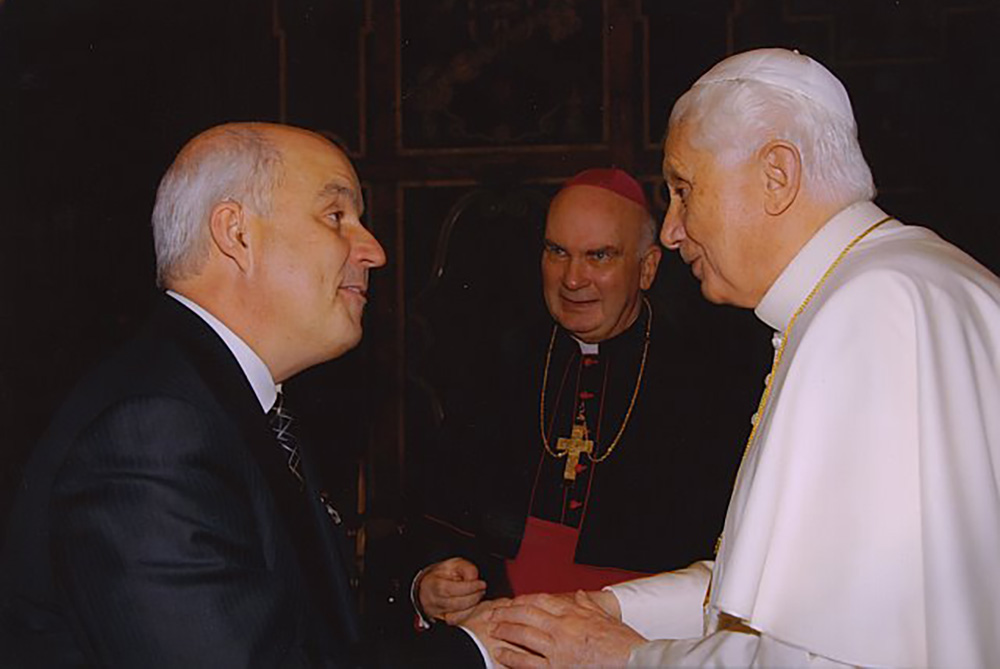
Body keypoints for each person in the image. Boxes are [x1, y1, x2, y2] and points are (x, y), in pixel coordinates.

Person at [490, 48, 1000, 668]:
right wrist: (614, 610)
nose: (672, 231)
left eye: (683, 189)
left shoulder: (869, 311)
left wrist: (620, 658)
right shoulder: (912, 279)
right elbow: (789, 593)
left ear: (776, 174)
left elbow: (819, 659)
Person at [0, 122, 494, 667]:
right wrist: (478, 655)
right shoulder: (153, 429)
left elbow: (310, 633)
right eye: (336, 217)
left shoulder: (232, 401)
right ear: (236, 233)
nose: (373, 250)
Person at [413, 169, 755, 626]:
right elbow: (438, 519)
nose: (573, 279)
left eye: (600, 256)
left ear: (648, 268)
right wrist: (429, 584)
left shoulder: (708, 382)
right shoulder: (500, 363)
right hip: (503, 630)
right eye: (558, 252)